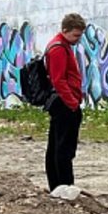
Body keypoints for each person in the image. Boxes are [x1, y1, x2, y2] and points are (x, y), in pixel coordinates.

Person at [44, 13, 86, 192]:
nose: (78, 39)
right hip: (64, 104)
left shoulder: (62, 45)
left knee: (58, 146)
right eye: (76, 35)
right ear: (65, 31)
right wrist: (72, 103)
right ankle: (64, 186)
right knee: (63, 149)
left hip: (65, 102)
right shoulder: (58, 49)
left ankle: (59, 186)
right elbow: (58, 80)